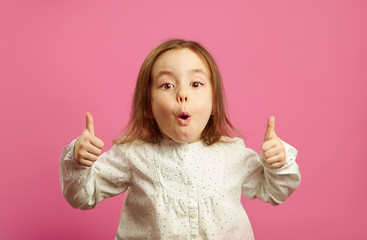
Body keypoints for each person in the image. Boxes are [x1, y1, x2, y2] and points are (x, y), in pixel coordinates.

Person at [60, 39, 301, 239]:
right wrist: (79, 162)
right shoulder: (133, 155)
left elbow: (274, 192)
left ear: (214, 103)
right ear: (148, 106)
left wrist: (277, 164)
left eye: (196, 84)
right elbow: (83, 196)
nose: (182, 94)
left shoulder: (233, 154)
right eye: (167, 85)